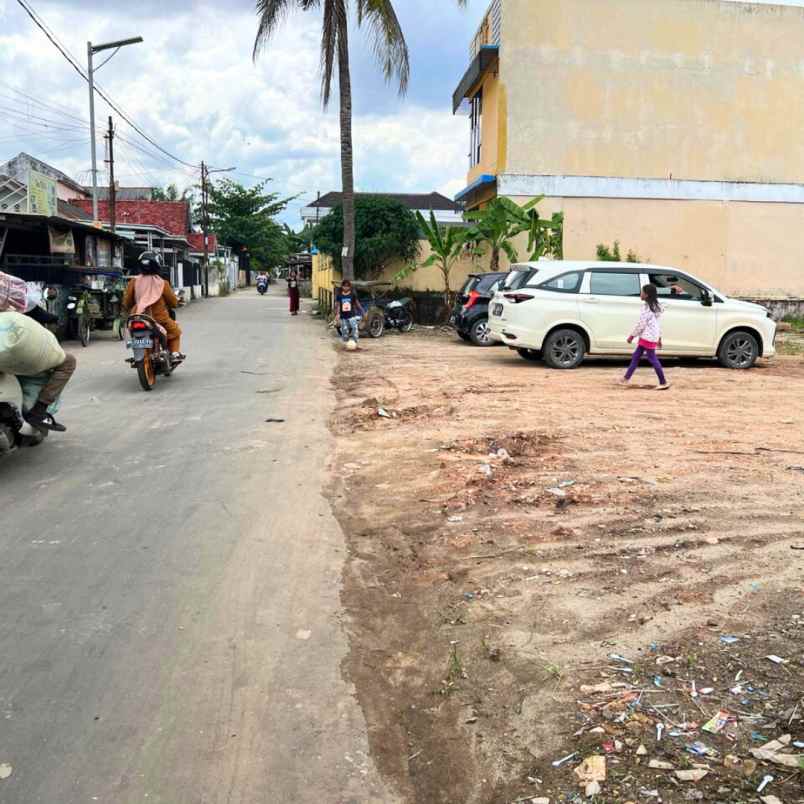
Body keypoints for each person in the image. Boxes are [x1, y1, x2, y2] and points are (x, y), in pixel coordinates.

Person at [0, 271, 76, 431]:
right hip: (17, 351)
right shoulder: (12, 293)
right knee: (68, 362)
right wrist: (56, 319)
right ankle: (39, 411)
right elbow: (38, 313)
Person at [122, 252, 184, 361]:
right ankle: (174, 353)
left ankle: (137, 352)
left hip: (138, 317)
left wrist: (132, 308)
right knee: (175, 331)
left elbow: (127, 302)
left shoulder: (134, 281)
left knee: (132, 332)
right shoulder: (163, 283)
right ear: (157, 266)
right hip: (159, 319)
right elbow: (173, 302)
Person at [619, 283, 670, 390]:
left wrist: (632, 336)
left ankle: (663, 382)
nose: (640, 293)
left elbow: (641, 324)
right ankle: (625, 378)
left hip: (647, 337)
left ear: (646, 295)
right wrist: (659, 337)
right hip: (650, 336)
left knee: (652, 358)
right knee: (636, 356)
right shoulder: (656, 307)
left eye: (642, 292)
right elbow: (658, 324)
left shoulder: (646, 308)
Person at [334, 279, 366, 347]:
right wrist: (337, 314)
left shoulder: (352, 294)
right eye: (344, 286)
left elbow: (357, 303)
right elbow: (338, 305)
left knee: (354, 328)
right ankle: (346, 344)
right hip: (343, 316)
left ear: (350, 287)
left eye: (347, 286)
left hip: (351, 315)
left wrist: (362, 311)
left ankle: (355, 343)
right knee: (344, 330)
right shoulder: (339, 295)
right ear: (342, 286)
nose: (346, 287)